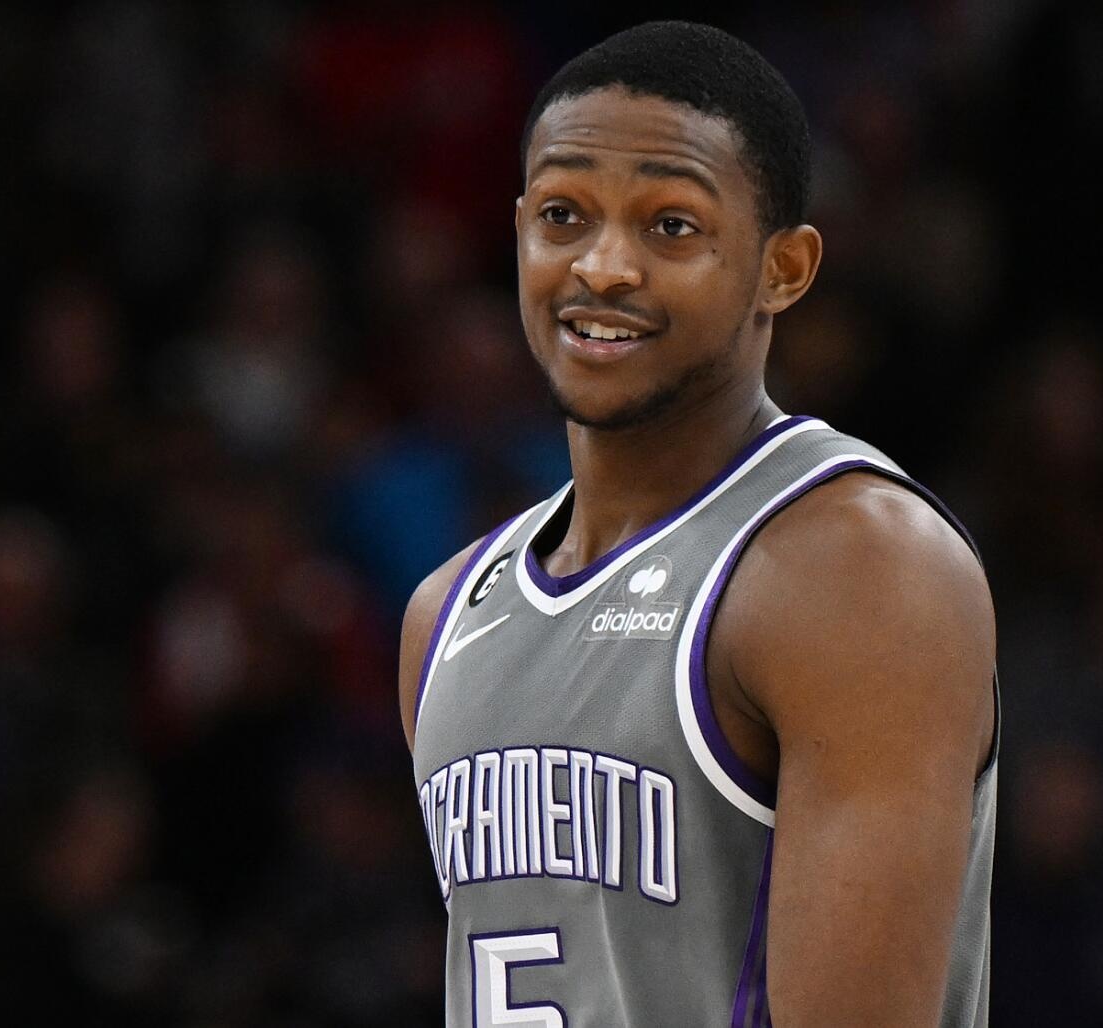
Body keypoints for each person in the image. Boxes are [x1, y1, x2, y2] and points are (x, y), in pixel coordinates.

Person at [399, 20, 998, 1027]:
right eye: (562, 215)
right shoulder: (446, 612)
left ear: (784, 268)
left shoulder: (859, 565)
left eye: (670, 225)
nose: (602, 267)